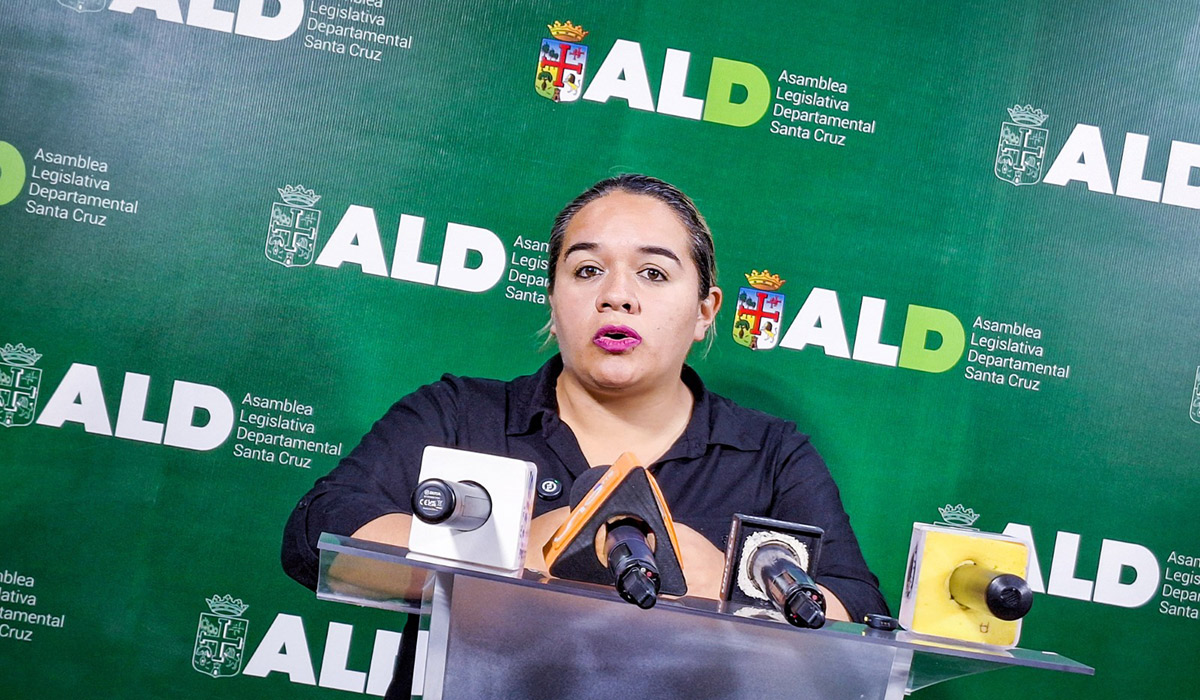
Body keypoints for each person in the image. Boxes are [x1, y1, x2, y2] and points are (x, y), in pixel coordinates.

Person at [282, 174, 888, 623]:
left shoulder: (772, 456)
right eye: (587, 270)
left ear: (705, 311)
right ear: (552, 297)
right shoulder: (459, 414)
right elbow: (319, 535)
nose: (616, 296)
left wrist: (727, 585)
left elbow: (859, 611)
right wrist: (512, 551)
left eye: (653, 273)